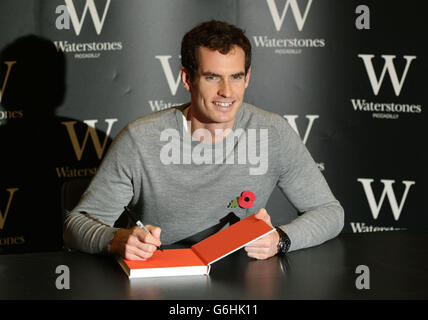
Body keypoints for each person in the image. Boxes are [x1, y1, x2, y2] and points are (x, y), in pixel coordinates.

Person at [63, 20, 344, 261]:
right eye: (212, 77)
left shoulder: (273, 132)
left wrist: (280, 239)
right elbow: (75, 226)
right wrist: (118, 239)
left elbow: (329, 212)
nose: (226, 91)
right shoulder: (141, 139)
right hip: (162, 277)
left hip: (241, 279)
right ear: (187, 78)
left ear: (248, 78)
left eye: (236, 77)